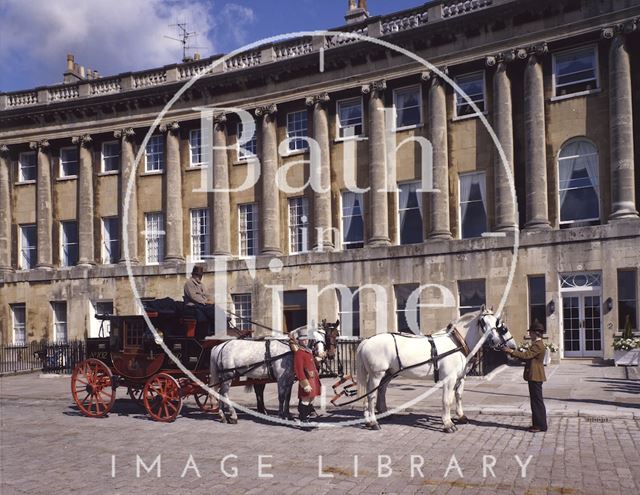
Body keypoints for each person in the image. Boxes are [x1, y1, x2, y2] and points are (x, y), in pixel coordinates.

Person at [503, 321, 548, 432]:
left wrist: (511, 351)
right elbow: (526, 357)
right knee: (535, 401)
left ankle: (540, 425)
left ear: (536, 333)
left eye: (531, 333)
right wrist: (513, 353)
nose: (530, 335)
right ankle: (538, 424)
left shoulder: (538, 345)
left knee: (537, 402)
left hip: (535, 376)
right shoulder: (537, 344)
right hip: (534, 375)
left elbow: (527, 355)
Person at [293, 328, 321, 426]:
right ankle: (304, 421)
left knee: (311, 399)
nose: (305, 341)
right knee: (305, 400)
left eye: (307, 339)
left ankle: (306, 418)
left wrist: (316, 359)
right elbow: (298, 370)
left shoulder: (308, 351)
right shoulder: (299, 353)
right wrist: (305, 384)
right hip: (306, 381)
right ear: (299, 340)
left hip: (313, 379)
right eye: (303, 339)